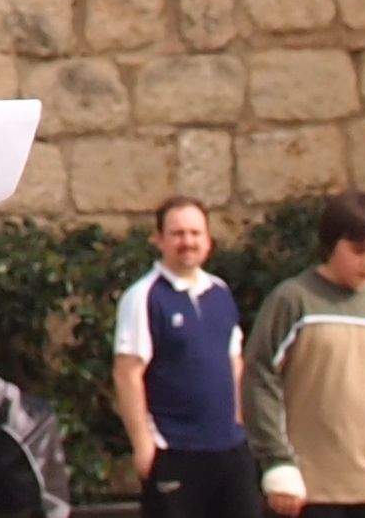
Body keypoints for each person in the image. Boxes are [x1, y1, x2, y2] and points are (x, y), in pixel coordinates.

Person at [246, 190, 365, 518]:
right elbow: (259, 377)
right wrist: (277, 462)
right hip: (312, 490)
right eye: (357, 251)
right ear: (331, 244)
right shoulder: (293, 301)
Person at [116, 195, 261, 518]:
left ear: (208, 240)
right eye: (178, 234)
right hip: (175, 450)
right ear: (159, 239)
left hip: (230, 450)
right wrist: (143, 445)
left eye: (195, 233)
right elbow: (127, 373)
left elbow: (234, 360)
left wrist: (238, 420)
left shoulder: (220, 292)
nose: (187, 242)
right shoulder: (144, 296)